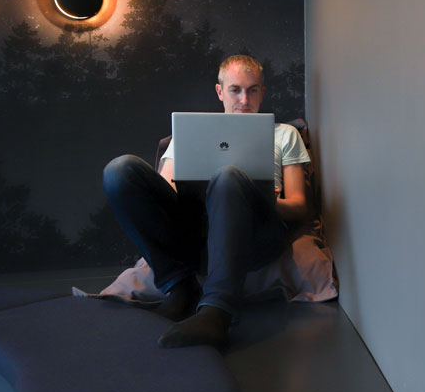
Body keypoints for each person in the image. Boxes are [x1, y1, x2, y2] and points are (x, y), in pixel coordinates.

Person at [102, 55, 311, 349]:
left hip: (253, 236)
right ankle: (179, 286)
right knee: (119, 170)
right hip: (194, 237)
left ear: (263, 92)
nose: (244, 99)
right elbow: (164, 195)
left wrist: (268, 200)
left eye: (252, 90)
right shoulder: (190, 134)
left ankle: (217, 311)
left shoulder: (285, 134)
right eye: (236, 89)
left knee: (228, 176)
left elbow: (299, 206)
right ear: (220, 91)